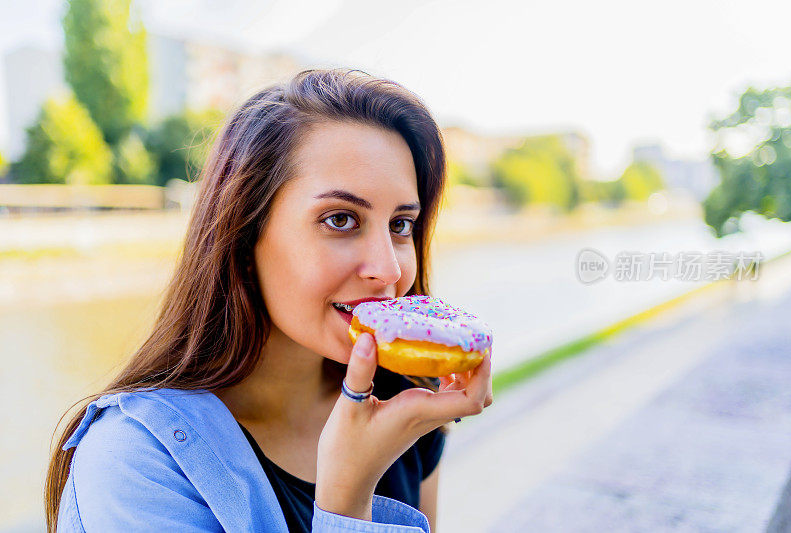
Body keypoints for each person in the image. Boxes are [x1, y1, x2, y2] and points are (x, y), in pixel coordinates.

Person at [45, 68, 493, 532]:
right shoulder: (134, 463)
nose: (390, 269)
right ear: (243, 234)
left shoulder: (403, 406)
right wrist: (346, 500)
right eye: (341, 219)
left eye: (400, 225)